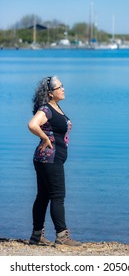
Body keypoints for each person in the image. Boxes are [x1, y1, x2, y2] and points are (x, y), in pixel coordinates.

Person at [28, 76, 81, 246]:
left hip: (45, 159)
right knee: (57, 197)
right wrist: (44, 138)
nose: (63, 89)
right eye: (59, 87)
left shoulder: (55, 107)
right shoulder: (46, 110)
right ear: (51, 93)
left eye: (62, 86)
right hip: (50, 159)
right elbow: (32, 125)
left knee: (43, 196)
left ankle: (36, 236)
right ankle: (62, 236)